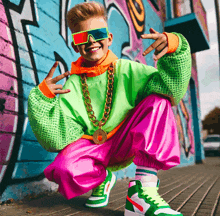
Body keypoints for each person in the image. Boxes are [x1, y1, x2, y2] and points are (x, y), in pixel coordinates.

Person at [28, 1, 191, 215]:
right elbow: (55, 139)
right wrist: (42, 97)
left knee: (159, 100)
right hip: (94, 148)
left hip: (127, 138)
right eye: (82, 37)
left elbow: (171, 89)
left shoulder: (129, 69)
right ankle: (102, 178)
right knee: (61, 169)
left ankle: (143, 191)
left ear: (109, 38)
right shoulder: (72, 85)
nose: (92, 41)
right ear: (75, 46)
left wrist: (175, 46)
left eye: (98, 33)